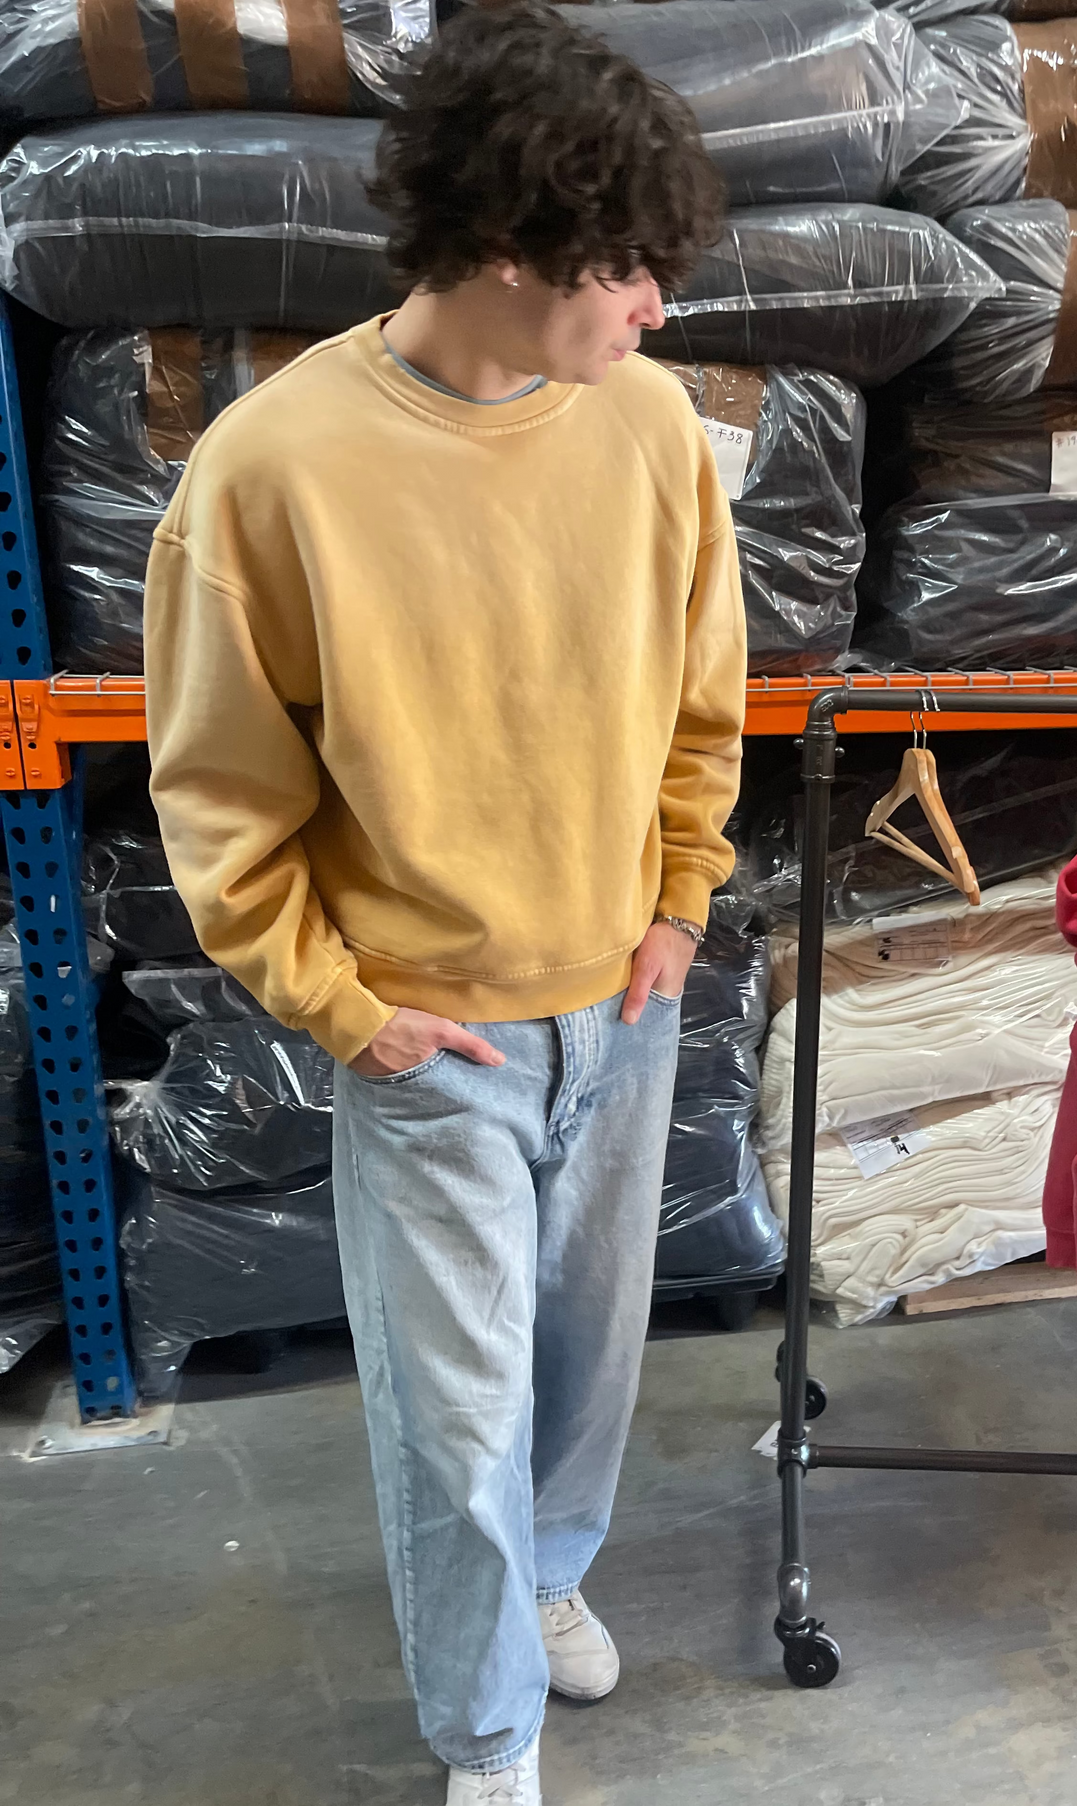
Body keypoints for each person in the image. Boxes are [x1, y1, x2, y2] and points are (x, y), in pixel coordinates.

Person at [142, 10, 746, 1801]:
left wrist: (681, 903)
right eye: (625, 268)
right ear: (506, 246)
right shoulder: (271, 470)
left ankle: (549, 1579)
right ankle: (489, 1733)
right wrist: (342, 1007)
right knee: (455, 1411)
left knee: (588, 1365)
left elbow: (704, 699)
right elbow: (221, 793)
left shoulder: (650, 429)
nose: (656, 310)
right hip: (431, 1031)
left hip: (623, 1000)